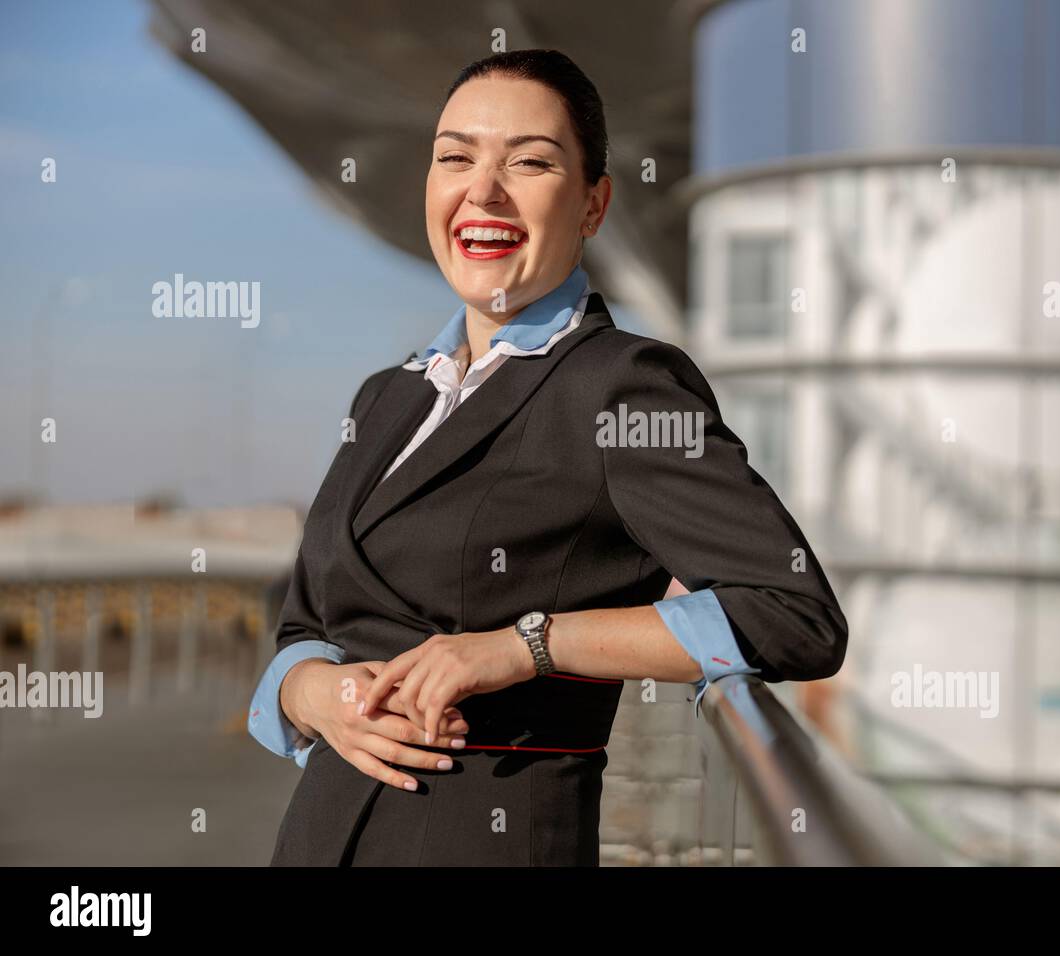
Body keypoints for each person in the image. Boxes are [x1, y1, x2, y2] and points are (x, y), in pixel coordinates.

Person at [247, 48, 848, 866]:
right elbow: (303, 620)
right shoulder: (385, 398)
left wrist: (524, 644)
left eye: (529, 162)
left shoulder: (620, 388)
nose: (482, 190)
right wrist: (313, 691)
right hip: (320, 839)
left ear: (594, 203)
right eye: (455, 156)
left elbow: (793, 616)